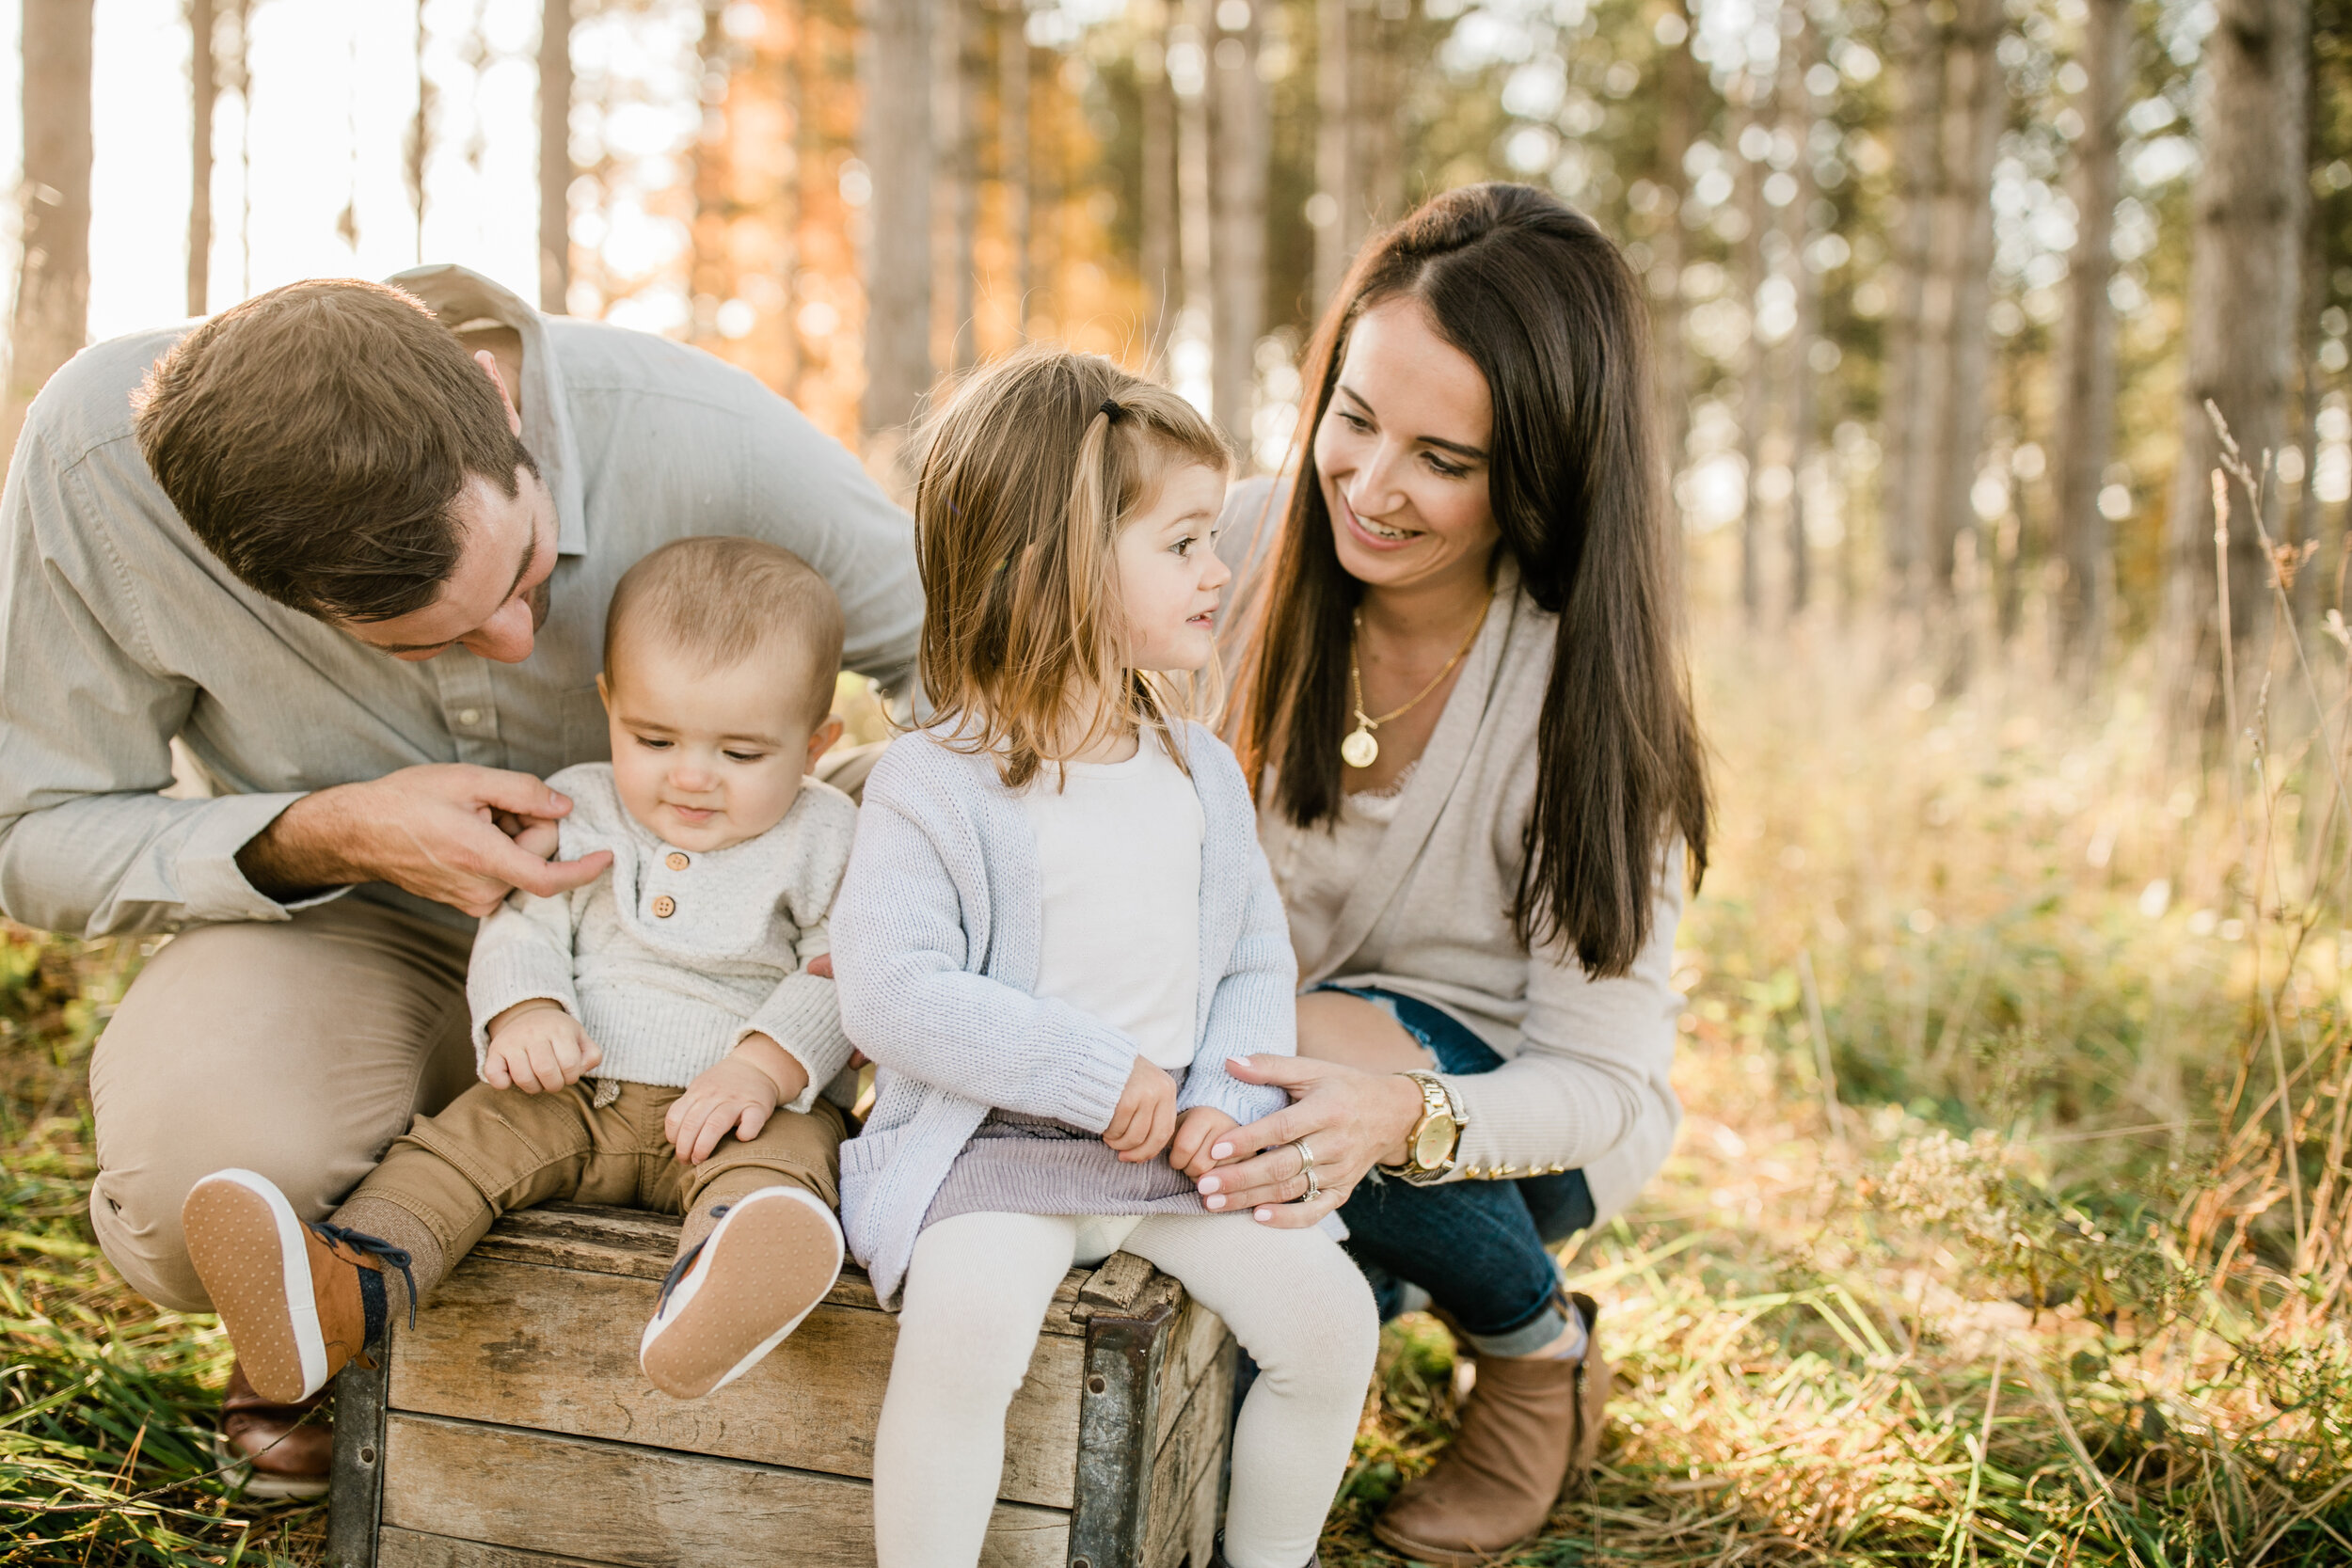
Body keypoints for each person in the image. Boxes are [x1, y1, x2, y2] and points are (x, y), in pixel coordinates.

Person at [0, 267, 918, 1490]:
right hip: (353, 918)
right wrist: (323, 832)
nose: (520, 642)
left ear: (496, 399)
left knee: (903, 819)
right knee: (188, 1191)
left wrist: (877, 929)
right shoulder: (96, 476)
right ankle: (332, 1301)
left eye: (531, 567)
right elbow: (30, 832)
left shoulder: (711, 436)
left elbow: (984, 676)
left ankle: (787, 1229)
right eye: (426, 640)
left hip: (745, 941)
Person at [1195, 182, 1712, 1566]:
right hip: (1251, 1083)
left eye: (1444, 457)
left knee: (1280, 1053)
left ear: (1539, 469)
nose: (1370, 486)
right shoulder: (1228, 551)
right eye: (1353, 419)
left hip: (1504, 1125)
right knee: (1220, 1387)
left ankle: (1530, 1341)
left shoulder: (1586, 697)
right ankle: (1367, 1270)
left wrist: (1397, 1118)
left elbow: (1601, 1081)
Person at [830, 350, 1377, 1568]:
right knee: (964, 1341)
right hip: (995, 1150)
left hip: (1173, 1146)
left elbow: (1249, 955)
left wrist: (1219, 1104)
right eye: (1183, 542)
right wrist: (1092, 1072)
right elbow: (890, 986)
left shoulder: (1199, 770)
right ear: (1060, 564)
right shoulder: (934, 777)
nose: (1219, 571)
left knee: (1331, 1323)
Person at [180, 537, 857, 1408]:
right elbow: (522, 920)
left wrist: (761, 1067)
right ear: (609, 705)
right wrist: (526, 1011)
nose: (692, 776)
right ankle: (343, 1289)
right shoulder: (580, 805)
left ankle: (722, 1282)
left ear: (816, 743)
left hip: (743, 1107)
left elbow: (842, 972)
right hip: (570, 1088)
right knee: (454, 1151)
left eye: (741, 754)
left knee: (790, 1162)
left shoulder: (828, 834)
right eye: (654, 737)